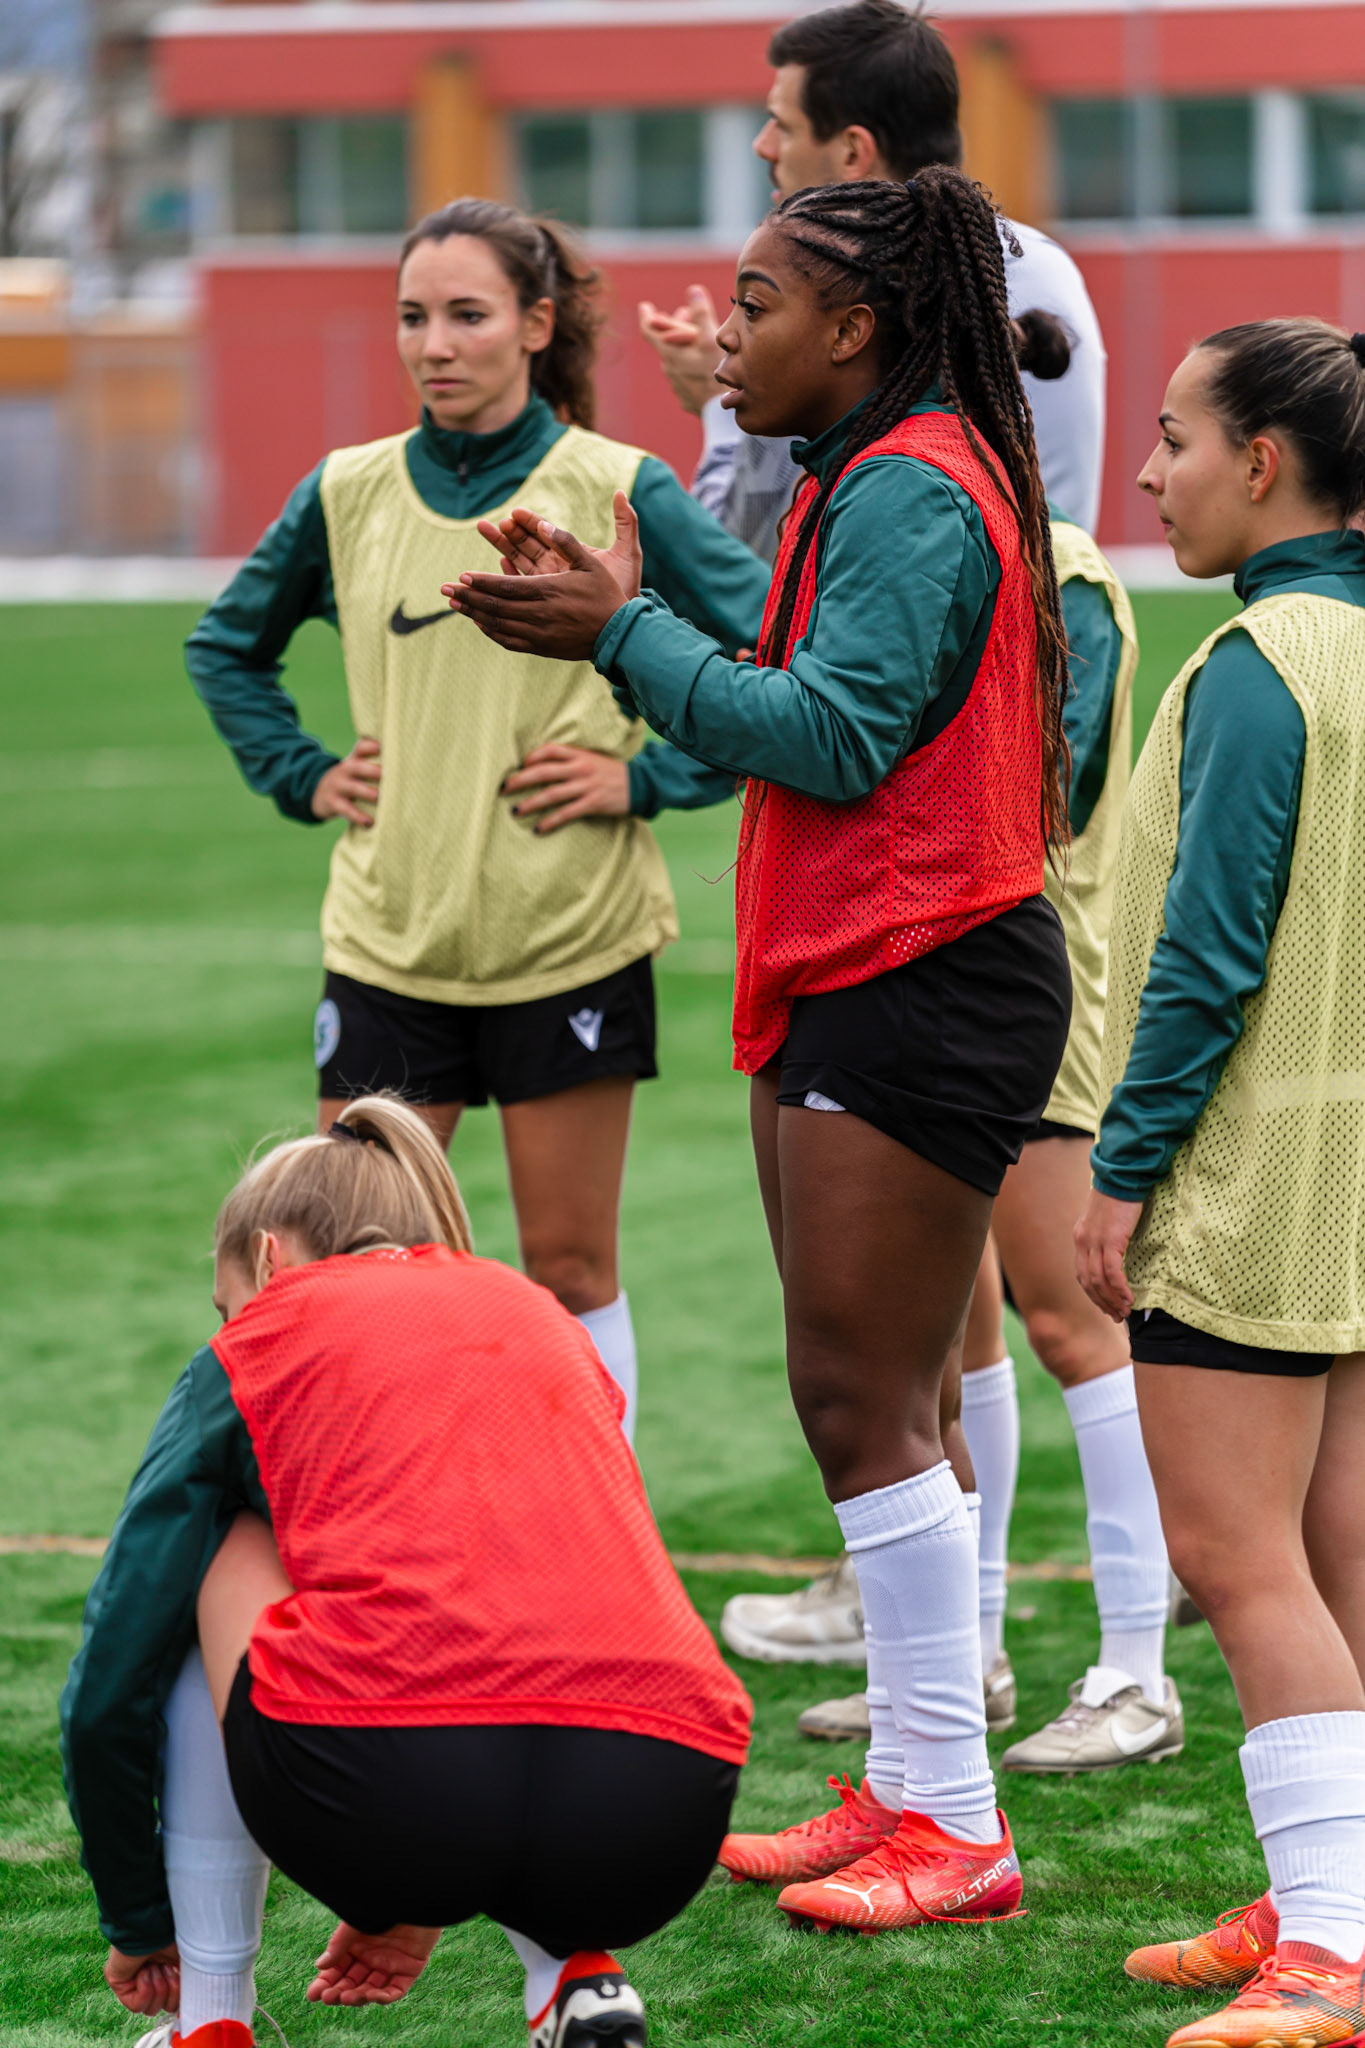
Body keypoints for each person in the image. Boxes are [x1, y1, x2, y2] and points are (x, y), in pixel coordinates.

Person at [448, 167, 1073, 1935]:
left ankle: (957, 1817)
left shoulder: (915, 489)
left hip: (923, 969)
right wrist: (626, 610)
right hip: (864, 962)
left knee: (863, 1399)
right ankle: (921, 1780)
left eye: (763, 303)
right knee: (879, 1397)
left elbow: (832, 735)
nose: (727, 339)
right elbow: (790, 704)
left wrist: (621, 636)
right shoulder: (868, 473)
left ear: (860, 328)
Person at [185, 197, 769, 1441]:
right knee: (346, 1263)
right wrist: (304, 770)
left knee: (566, 1267)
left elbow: (772, 658)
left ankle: (593, 1548)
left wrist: (648, 780)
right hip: (391, 936)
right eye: (413, 317)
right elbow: (225, 646)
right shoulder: (346, 490)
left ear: (535, 325)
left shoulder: (617, 488)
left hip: (569, 933)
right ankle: (369, 1535)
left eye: (466, 315)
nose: (434, 343)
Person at [60, 1094, 751, 2048]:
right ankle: (572, 1979)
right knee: (536, 1580)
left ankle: (210, 2020)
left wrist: (141, 1922)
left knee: (217, 1547)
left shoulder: (263, 1336)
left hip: (389, 1782)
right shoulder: (541, 1316)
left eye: (229, 1305)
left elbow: (114, 1670)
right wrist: (430, 1876)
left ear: (270, 1259)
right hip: (668, 1807)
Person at [1070, 319, 1365, 2048]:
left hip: (1256, 1171)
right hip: (1355, 1155)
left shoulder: (1260, 664)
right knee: (1336, 1538)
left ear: (1264, 461)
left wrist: (1121, 1167)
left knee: (1237, 1551)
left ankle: (1330, 1942)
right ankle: (1333, 1885)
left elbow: (1205, 958)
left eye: (1173, 436)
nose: (1147, 469)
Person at [785, 511, 1178, 1776]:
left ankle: (1139, 1670)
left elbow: (1040, 793)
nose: (1149, 470)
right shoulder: (911, 519)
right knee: (948, 1344)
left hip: (1025, 987)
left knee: (1075, 1321)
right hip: (926, 989)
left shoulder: (1054, 561)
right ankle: (974, 1648)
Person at [639, 0, 1105, 560]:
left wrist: (721, 403)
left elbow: (740, 556)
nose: (762, 146)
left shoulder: (840, 298)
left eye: (783, 125)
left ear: (854, 150)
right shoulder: (1038, 264)